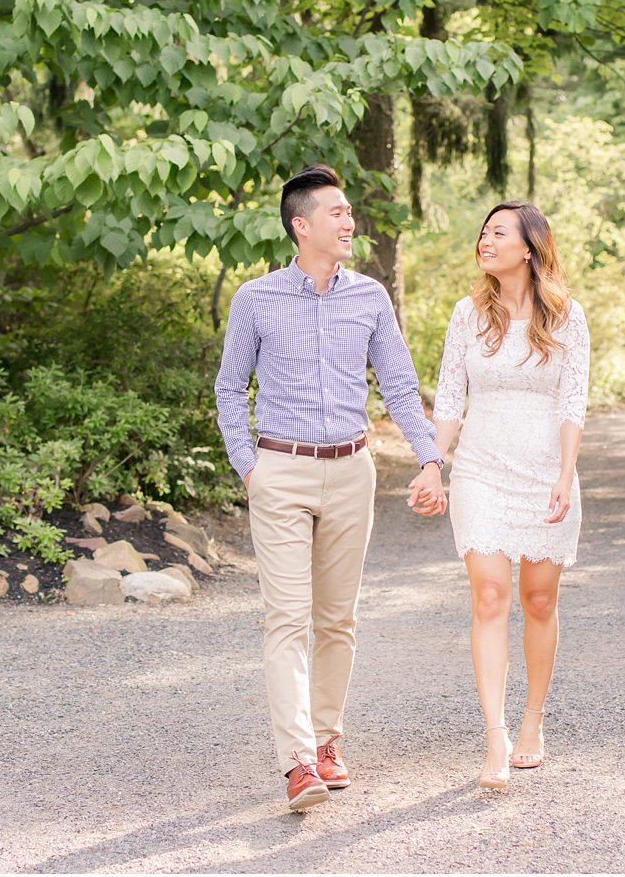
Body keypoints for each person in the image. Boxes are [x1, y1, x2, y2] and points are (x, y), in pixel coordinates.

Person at [214, 164, 445, 812]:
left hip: (352, 472)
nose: (349, 222)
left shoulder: (369, 297)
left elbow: (399, 385)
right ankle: (296, 763)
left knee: (337, 619)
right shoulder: (255, 299)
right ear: (301, 224)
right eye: (337, 213)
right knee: (286, 618)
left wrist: (428, 459)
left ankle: (326, 741)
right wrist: (249, 467)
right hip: (280, 472)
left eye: (349, 214)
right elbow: (231, 389)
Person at [429, 201, 590, 791]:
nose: (485, 239)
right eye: (483, 231)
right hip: (480, 471)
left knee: (539, 600)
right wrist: (431, 462)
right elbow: (449, 399)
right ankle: (494, 735)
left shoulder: (567, 318)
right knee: (491, 595)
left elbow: (574, 403)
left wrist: (565, 475)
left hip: (545, 472)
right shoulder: (467, 315)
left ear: (530, 247)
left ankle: (532, 720)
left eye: (498, 232)